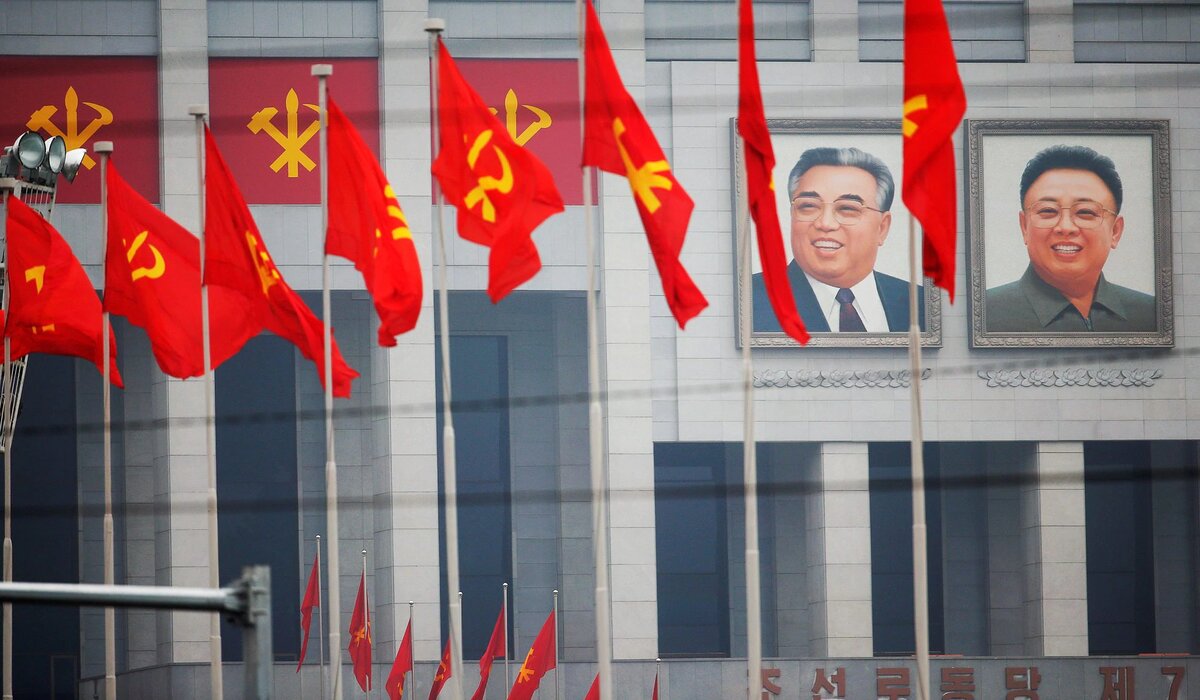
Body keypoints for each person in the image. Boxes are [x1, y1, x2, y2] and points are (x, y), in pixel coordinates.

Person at [985, 145, 1155, 332]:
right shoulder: (986, 315)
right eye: (1048, 211)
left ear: (1115, 231)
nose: (1066, 227)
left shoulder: (1151, 315)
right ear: (1024, 226)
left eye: (1085, 212)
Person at [752, 147, 922, 333]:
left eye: (847, 208)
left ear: (882, 228)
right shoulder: (749, 301)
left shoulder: (918, 304)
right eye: (808, 206)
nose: (825, 223)